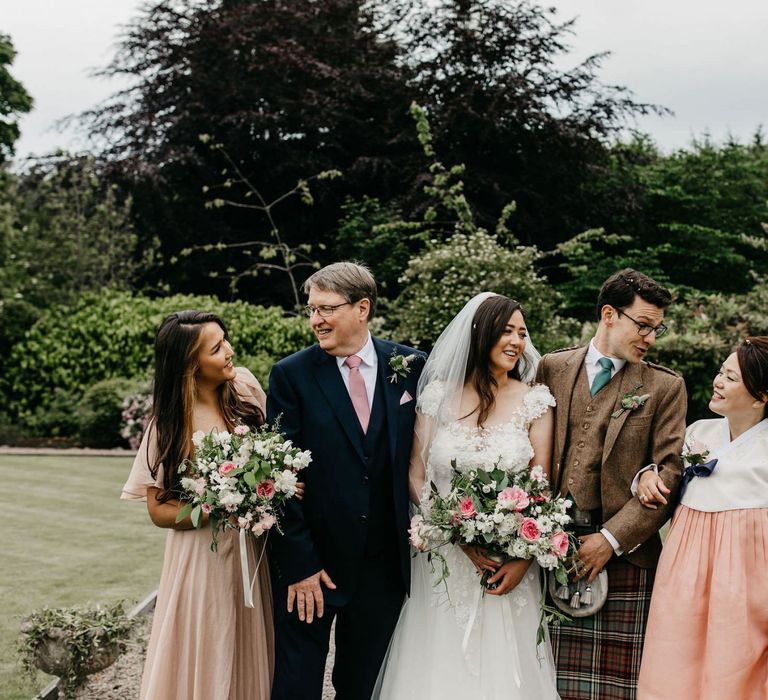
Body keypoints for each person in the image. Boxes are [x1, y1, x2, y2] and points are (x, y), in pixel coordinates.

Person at [375, 292, 559, 699]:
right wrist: (456, 535)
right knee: (437, 661)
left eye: (522, 333)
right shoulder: (438, 396)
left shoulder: (535, 401)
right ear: (481, 334)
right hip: (443, 557)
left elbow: (540, 482)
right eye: (506, 331)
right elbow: (416, 472)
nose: (517, 341)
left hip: (505, 561)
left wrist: (520, 554)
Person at [267, 262, 425, 700]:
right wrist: (299, 565)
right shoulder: (291, 375)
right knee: (296, 685)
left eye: (326, 309)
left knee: (363, 686)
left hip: (382, 567)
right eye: (311, 310)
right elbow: (277, 481)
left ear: (362, 308)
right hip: (311, 566)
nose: (316, 319)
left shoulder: (410, 366)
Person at [535, 269, 687, 700]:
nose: (651, 338)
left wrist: (609, 540)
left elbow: (669, 474)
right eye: (643, 326)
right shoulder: (553, 366)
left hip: (625, 558)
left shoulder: (664, 386)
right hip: (551, 551)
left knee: (617, 690)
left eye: (657, 329)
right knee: (546, 681)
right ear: (608, 314)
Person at [121, 311, 273, 700]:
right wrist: (219, 506)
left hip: (253, 552)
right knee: (209, 646)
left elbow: (272, 458)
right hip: (201, 559)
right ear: (191, 364)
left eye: (225, 340)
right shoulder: (169, 424)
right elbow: (158, 511)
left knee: (248, 645)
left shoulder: (246, 390)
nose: (230, 351)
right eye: (217, 347)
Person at [637, 337, 768, 699]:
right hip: (683, 577)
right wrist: (647, 475)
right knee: (674, 662)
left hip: (745, 583)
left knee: (735, 670)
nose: (718, 382)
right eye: (720, 372)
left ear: (761, 396)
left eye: (731, 377)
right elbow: (663, 470)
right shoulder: (698, 433)